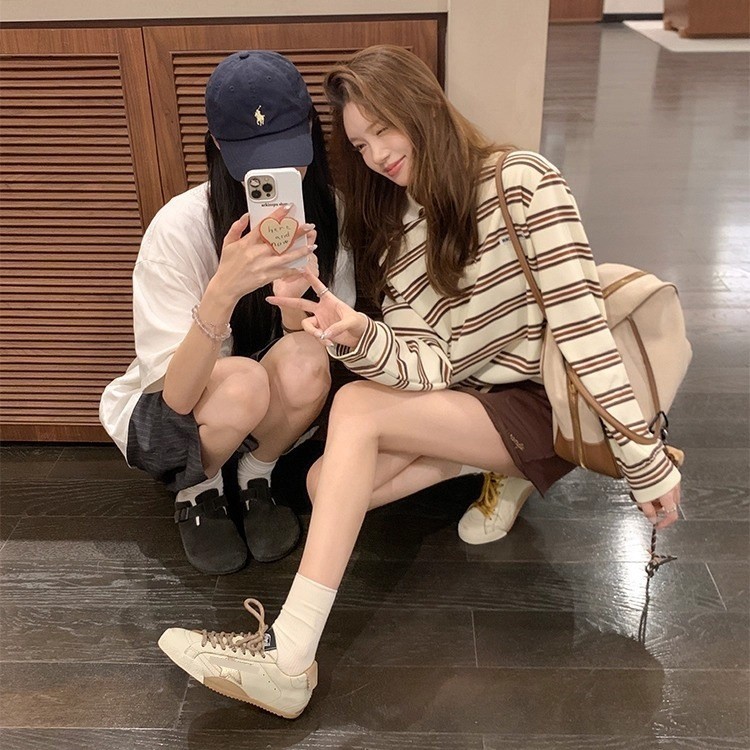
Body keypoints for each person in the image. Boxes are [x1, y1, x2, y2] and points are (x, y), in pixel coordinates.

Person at [157, 45, 682, 718]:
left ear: (425, 107)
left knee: (356, 409)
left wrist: (644, 462)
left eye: (385, 129)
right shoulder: (396, 232)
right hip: (471, 401)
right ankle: (505, 467)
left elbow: (583, 332)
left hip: (546, 400)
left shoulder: (523, 180)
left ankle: (288, 656)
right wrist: (355, 333)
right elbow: (429, 365)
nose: (377, 154)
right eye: (360, 143)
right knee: (323, 484)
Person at [99, 50, 355, 575]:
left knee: (308, 360)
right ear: (217, 144)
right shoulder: (180, 227)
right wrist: (222, 292)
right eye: (256, 162)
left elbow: (328, 350)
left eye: (289, 154)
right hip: (181, 411)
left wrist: (294, 303)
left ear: (310, 129)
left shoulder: (331, 213)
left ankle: (255, 475)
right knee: (241, 384)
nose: (279, 174)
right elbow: (176, 396)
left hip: (266, 403)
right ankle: (199, 489)